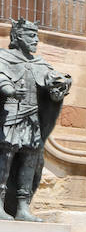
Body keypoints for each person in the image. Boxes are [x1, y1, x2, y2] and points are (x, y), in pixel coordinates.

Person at [0, 19, 72, 221]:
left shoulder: (39, 63)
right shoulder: (3, 58)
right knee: (5, 159)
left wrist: (61, 84)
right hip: (10, 118)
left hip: (32, 119)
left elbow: (52, 79)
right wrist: (11, 91)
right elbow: (2, 79)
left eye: (37, 36)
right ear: (17, 37)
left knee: (30, 158)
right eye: (31, 36)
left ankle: (23, 207)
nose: (36, 40)